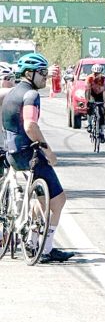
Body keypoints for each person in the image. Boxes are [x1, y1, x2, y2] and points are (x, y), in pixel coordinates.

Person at [2, 53, 72, 263]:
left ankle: (33, 242)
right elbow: (30, 125)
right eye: (42, 73)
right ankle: (46, 248)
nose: (45, 78)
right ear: (29, 73)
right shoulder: (31, 95)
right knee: (58, 200)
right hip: (29, 153)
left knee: (42, 200)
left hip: (12, 153)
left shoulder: (12, 93)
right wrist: (48, 151)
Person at [85, 63, 105, 142]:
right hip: (92, 94)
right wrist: (87, 101)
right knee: (89, 107)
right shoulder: (89, 78)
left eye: (98, 73)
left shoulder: (104, 78)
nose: (96, 74)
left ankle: (102, 132)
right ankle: (89, 124)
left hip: (101, 95)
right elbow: (87, 90)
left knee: (102, 113)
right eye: (95, 73)